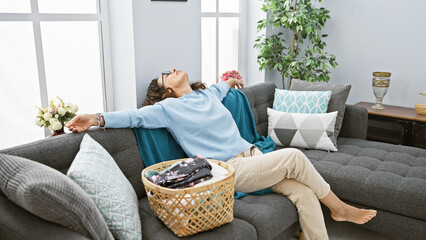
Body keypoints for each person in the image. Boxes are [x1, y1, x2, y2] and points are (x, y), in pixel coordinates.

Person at [66, 68, 377, 240]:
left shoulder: (207, 95)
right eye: (166, 74)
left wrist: (231, 80)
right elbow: (134, 117)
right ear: (166, 91)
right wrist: (95, 118)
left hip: (254, 158)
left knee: (305, 193)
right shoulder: (168, 108)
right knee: (295, 157)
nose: (173, 69)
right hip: (228, 171)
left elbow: (223, 86)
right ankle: (339, 208)